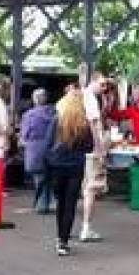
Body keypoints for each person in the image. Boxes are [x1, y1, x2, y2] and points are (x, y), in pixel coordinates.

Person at [44, 89, 93, 256]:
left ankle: (59, 236)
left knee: (61, 203)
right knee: (70, 205)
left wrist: (49, 161)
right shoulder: (83, 124)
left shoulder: (57, 121)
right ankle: (63, 241)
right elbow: (90, 147)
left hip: (57, 165)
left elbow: (47, 144)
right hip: (75, 167)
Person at [79, 71, 109, 243]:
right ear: (94, 81)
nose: (104, 88)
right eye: (102, 84)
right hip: (92, 150)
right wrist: (99, 149)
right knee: (91, 189)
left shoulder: (83, 96)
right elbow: (94, 124)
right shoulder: (90, 98)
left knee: (86, 188)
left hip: (82, 148)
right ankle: (86, 227)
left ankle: (83, 226)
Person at [20, 88, 56, 214]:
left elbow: (24, 136)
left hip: (34, 149)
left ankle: (42, 205)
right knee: (48, 176)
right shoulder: (54, 114)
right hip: (51, 148)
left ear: (35, 100)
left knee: (39, 177)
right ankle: (49, 202)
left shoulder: (29, 115)